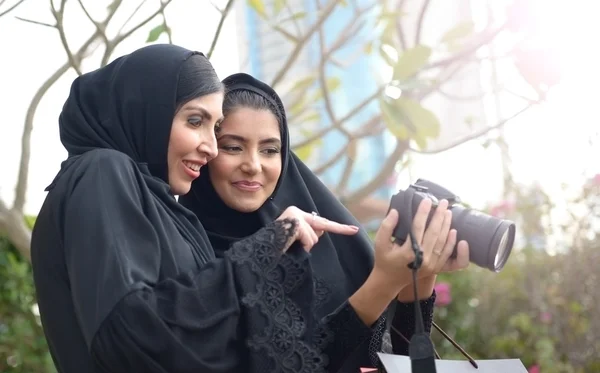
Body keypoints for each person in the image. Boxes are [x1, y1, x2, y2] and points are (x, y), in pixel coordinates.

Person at [30, 44, 371, 373]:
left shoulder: (168, 214)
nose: (210, 148)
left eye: (215, 127)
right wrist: (266, 248)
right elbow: (131, 332)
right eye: (195, 121)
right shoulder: (103, 171)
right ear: (148, 111)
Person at [178, 72, 471, 371]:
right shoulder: (187, 258)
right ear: (208, 150)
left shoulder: (320, 244)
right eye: (232, 147)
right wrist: (383, 284)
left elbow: (399, 359)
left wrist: (418, 281)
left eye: (269, 150)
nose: (253, 165)